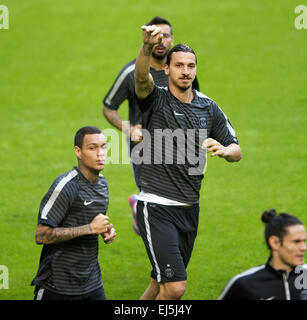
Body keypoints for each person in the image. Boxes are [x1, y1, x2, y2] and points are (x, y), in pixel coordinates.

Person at [134, 25, 242, 300]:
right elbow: (140, 78)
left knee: (159, 286)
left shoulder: (208, 106)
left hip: (190, 209)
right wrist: (146, 47)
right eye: (179, 65)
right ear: (167, 69)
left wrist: (225, 150)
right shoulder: (156, 99)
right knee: (175, 287)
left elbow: (236, 150)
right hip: (157, 206)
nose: (186, 71)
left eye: (191, 66)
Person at [102, 16, 199, 235]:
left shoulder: (182, 73)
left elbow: (193, 105)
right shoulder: (132, 74)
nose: (162, 41)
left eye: (166, 36)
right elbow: (109, 107)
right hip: (143, 146)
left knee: (175, 197)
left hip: (176, 144)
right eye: (157, 36)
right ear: (149, 39)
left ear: (172, 39)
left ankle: (141, 209)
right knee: (154, 196)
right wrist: (127, 129)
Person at [31, 126, 116, 300]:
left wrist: (104, 231)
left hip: (91, 283)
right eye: (92, 148)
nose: (100, 153)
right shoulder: (66, 186)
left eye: (104, 147)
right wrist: (90, 228)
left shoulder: (102, 184)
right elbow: (41, 235)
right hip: (56, 285)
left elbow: (90, 221)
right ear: (78, 151)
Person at [218, 209, 307, 300]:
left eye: (304, 241)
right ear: (275, 242)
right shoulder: (245, 284)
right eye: (296, 241)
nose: (303, 247)